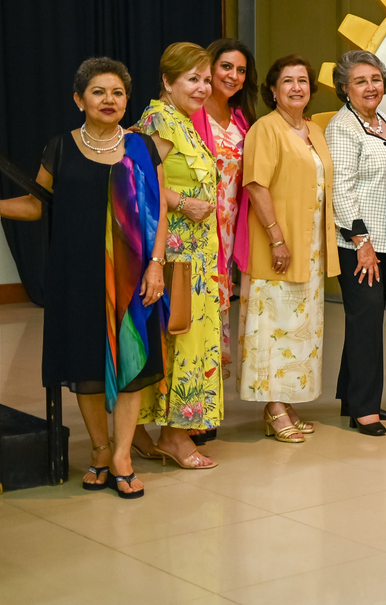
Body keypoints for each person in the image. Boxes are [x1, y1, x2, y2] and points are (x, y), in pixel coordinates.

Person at [0, 58, 166, 498]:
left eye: (117, 92)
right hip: (75, 274)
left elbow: (159, 209)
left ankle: (122, 456)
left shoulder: (142, 147)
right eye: (98, 92)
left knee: (131, 363)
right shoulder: (60, 147)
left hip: (132, 273)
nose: (109, 100)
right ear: (79, 100)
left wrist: (156, 263)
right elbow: (37, 204)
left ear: (127, 100)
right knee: (85, 364)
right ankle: (100, 449)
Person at [239, 55, 339, 443]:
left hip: (310, 248)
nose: (296, 87)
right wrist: (277, 239)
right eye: (287, 81)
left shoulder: (313, 129)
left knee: (301, 329)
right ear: (273, 90)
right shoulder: (266, 129)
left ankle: (285, 400)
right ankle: (273, 406)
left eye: (302, 80)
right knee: (273, 326)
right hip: (278, 246)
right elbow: (256, 185)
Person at [134, 43, 222, 468]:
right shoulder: (160, 120)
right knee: (181, 339)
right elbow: (137, 180)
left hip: (197, 255)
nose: (203, 87)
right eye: (193, 79)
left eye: (206, 79)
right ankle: (174, 435)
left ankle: (140, 431)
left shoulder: (184, 120)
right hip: (174, 254)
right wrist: (183, 203)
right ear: (168, 82)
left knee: (180, 338)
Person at [326, 50, 386, 436]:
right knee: (367, 318)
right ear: (345, 88)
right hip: (358, 242)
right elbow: (341, 188)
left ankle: (350, 397)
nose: (370, 87)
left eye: (375, 79)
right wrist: (362, 242)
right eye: (360, 81)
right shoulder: (343, 127)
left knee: (364, 318)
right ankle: (365, 408)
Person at [190, 38, 255, 427]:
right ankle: (192, 410)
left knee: (217, 312)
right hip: (195, 228)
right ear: (209, 69)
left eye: (241, 70)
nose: (233, 76)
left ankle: (206, 407)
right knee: (196, 314)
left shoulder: (242, 119)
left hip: (230, 231)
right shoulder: (188, 113)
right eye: (226, 67)